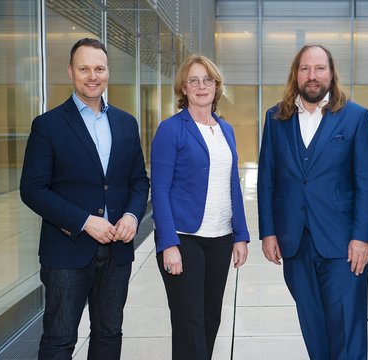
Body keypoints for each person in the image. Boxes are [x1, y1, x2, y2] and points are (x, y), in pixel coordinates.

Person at [20, 38, 150, 360]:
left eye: (99, 68)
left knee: (109, 335)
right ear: (70, 72)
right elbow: (32, 189)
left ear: (108, 72)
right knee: (60, 341)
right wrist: (84, 221)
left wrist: (133, 216)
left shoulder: (125, 123)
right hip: (67, 252)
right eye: (84, 68)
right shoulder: (48, 125)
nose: (93, 76)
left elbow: (138, 180)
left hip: (117, 252)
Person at [257, 44, 368, 360]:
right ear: (296, 74)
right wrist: (268, 232)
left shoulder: (355, 117)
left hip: (342, 244)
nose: (313, 76)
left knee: (346, 330)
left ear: (331, 73)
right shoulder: (276, 118)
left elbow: (366, 183)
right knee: (313, 328)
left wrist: (362, 238)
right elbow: (267, 179)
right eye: (305, 68)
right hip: (294, 242)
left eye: (320, 68)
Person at [150, 54, 249, 360]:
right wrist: (169, 243)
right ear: (184, 87)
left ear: (217, 86)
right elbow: (160, 190)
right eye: (193, 80)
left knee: (210, 317)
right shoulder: (171, 129)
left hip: (219, 239)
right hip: (184, 238)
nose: (201, 86)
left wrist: (240, 235)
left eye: (208, 80)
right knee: (188, 321)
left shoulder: (226, 130)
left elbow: (233, 184)